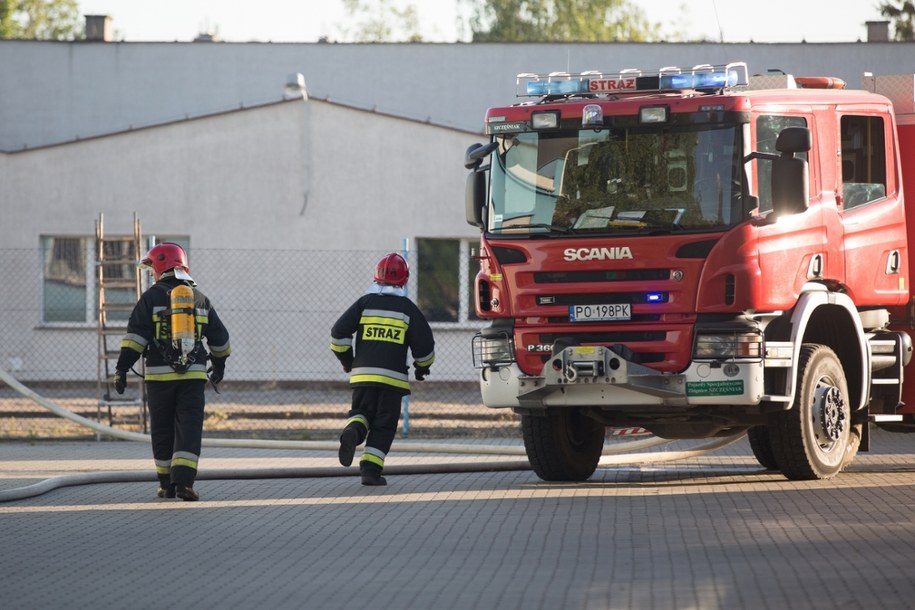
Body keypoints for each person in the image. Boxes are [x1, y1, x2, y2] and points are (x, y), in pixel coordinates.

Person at [114, 242, 231, 501]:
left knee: (162, 428)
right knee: (189, 427)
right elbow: (221, 340)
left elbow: (135, 339)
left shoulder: (151, 298)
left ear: (160, 267)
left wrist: (121, 369)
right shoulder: (200, 299)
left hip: (159, 378)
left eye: (152, 268)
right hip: (193, 376)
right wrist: (219, 366)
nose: (152, 274)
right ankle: (185, 484)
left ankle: (166, 485)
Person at [330, 252, 435, 486]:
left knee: (362, 412)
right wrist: (422, 367)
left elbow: (338, 333)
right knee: (384, 423)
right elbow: (425, 344)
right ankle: (370, 471)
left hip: (363, 375)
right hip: (392, 381)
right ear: (404, 280)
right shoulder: (407, 309)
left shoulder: (364, 304)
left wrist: (347, 360)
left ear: (376, 277)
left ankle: (354, 431)